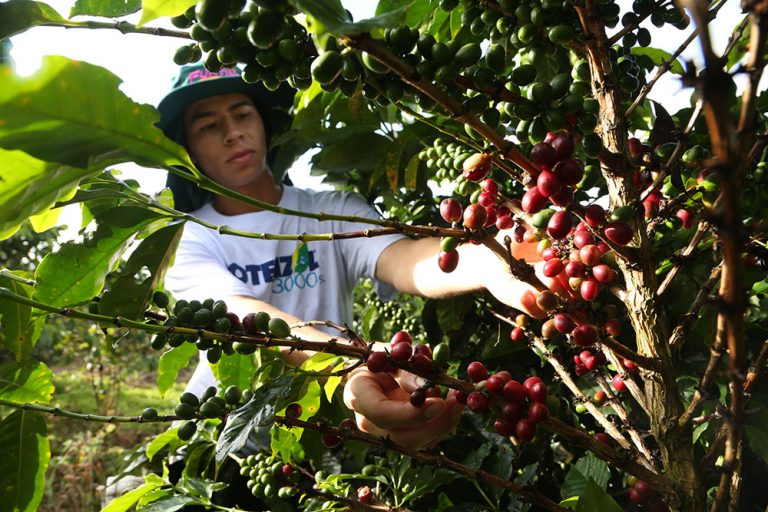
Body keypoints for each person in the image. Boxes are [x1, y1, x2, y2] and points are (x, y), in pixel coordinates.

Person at [158, 63, 561, 451]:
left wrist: (488, 258)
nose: (232, 133)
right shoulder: (186, 235)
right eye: (208, 126)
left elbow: (403, 258)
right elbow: (236, 313)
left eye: (242, 114)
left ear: (263, 122)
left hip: (320, 432)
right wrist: (353, 359)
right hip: (219, 435)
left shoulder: (331, 211)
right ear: (186, 148)